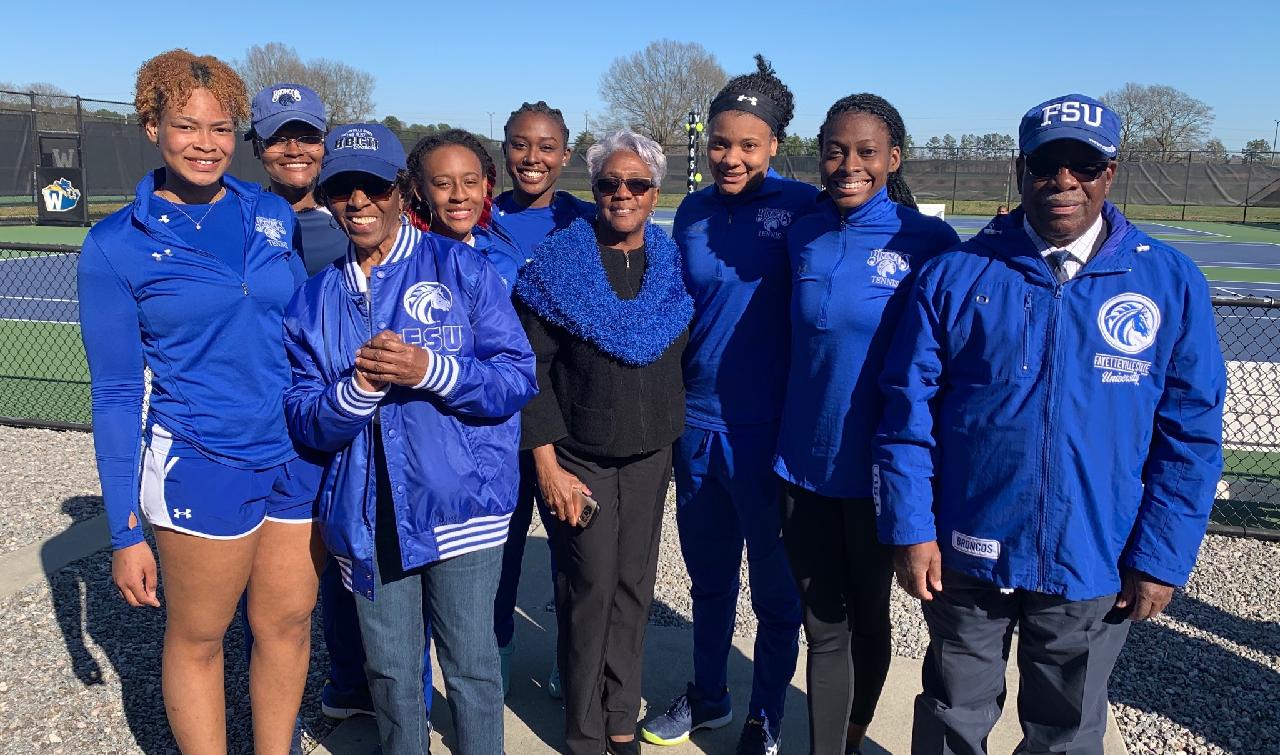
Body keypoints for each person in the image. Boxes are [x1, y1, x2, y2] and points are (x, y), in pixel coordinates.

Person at [873, 94, 1226, 755]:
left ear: (1109, 173)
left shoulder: (1167, 280)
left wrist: (1160, 555)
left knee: (1066, 728)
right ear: (1020, 169)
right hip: (966, 549)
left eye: (1083, 165)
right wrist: (911, 528)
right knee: (953, 710)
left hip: (1093, 553)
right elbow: (906, 412)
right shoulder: (956, 273)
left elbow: (1193, 433)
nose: (1064, 180)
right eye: (1047, 163)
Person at [78, 50, 321, 754]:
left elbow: (299, 331)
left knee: (287, 624)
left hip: (294, 455)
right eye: (187, 126)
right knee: (200, 637)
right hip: (200, 460)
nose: (207, 144)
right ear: (152, 126)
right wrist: (125, 532)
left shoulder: (273, 213)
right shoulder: (115, 246)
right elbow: (118, 394)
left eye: (221, 128)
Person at [283, 122, 536, 755]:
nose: (359, 202)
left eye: (373, 186)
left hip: (461, 503)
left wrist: (430, 370)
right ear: (327, 195)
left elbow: (515, 378)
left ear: (400, 190)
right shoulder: (311, 302)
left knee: (472, 665)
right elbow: (306, 418)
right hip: (367, 515)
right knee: (392, 673)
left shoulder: (461, 268)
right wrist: (361, 390)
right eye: (343, 188)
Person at [773, 93, 960, 755]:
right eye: (835, 150)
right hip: (799, 464)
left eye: (865, 152)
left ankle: (853, 736)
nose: (847, 164)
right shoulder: (801, 230)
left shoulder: (929, 241)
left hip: (881, 471)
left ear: (894, 159)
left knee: (867, 619)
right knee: (822, 626)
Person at [640, 55, 811, 755]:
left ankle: (765, 714)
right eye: (719, 142)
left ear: (774, 145)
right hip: (698, 425)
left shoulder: (804, 208)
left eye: (747, 144)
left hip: (770, 434)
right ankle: (708, 695)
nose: (730, 157)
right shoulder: (695, 212)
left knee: (776, 596)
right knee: (709, 583)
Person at [514, 129, 691, 755]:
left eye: (637, 183)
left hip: (650, 452)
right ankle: (585, 730)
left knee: (634, 589)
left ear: (654, 189)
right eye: (610, 183)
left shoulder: (671, 264)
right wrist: (546, 462)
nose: (623, 193)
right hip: (578, 456)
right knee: (587, 589)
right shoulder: (558, 267)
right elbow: (527, 370)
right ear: (593, 189)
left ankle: (622, 714)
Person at [244, 81, 375, 722]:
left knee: (354, 568)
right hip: (269, 433)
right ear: (259, 146)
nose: (294, 149)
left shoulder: (357, 217)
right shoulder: (236, 219)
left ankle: (354, 686)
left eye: (306, 135)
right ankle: (278, 723)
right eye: (279, 136)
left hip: (346, 425)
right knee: (271, 600)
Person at [491, 101, 594, 698]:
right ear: (504, 148)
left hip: (568, 419)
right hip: (498, 424)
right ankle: (494, 657)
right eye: (521, 145)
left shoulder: (584, 223)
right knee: (499, 554)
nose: (533, 158)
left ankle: (569, 659)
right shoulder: (475, 224)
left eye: (547, 146)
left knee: (571, 558)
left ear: (566, 153)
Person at [247, 83, 348, 276]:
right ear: (256, 148)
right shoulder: (244, 219)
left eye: (309, 138)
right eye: (276, 139)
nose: (294, 151)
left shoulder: (353, 215)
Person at [404, 128, 521, 290]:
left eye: (470, 182)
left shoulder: (504, 266)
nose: (459, 196)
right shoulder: (402, 262)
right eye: (443, 184)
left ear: (483, 185)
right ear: (419, 191)